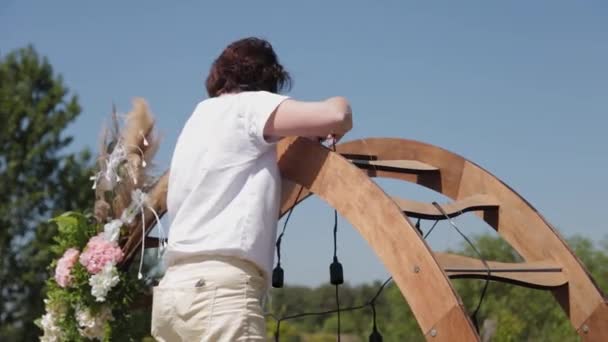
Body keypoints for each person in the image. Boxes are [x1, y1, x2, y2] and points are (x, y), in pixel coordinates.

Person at [151, 37, 353, 341]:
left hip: (172, 293)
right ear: (267, 78)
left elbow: (256, 200)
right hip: (219, 293)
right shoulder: (249, 104)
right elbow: (337, 117)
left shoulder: (198, 118)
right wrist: (340, 102)